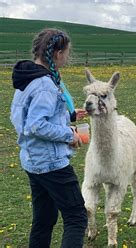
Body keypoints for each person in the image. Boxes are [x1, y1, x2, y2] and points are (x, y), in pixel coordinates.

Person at [10, 28, 87, 248]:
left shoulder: (27, 79)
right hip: (51, 163)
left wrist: (69, 116)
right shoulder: (44, 84)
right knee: (76, 217)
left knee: (44, 220)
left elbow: (25, 117)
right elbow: (36, 125)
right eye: (67, 52)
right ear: (57, 53)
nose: (68, 57)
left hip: (33, 161)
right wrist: (68, 133)